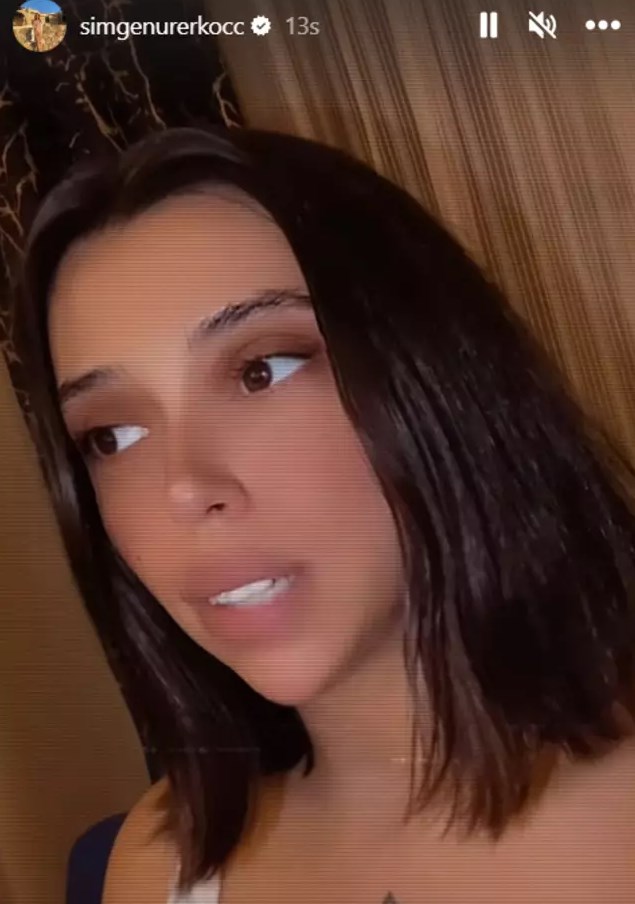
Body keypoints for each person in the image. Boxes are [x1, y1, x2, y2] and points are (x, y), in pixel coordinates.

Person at [15, 127, 635, 903]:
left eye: (261, 371)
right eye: (112, 436)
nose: (183, 488)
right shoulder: (158, 864)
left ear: (434, 376)